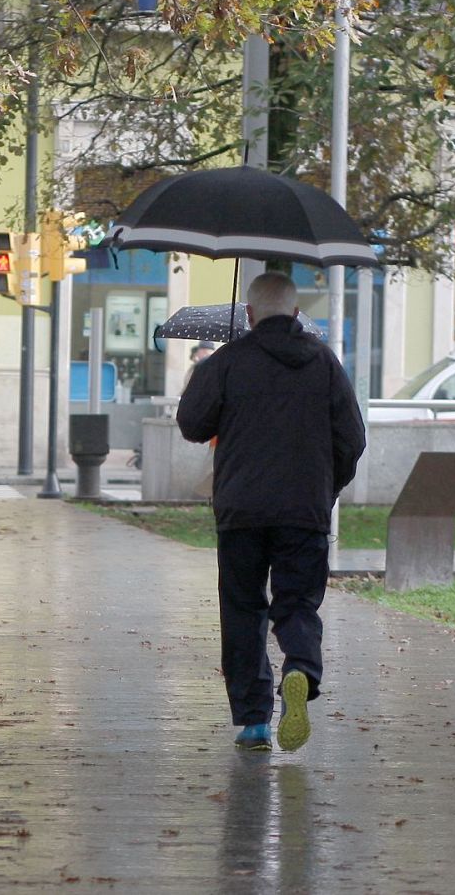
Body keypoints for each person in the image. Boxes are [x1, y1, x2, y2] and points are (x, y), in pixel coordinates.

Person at [176, 272, 365, 752]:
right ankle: (299, 669)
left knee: (243, 609)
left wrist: (218, 381)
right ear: (297, 312)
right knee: (297, 604)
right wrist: (327, 487)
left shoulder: (229, 361)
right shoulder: (323, 361)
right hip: (304, 509)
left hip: (241, 510)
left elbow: (192, 424)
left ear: (251, 313)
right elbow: (353, 438)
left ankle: (254, 721)